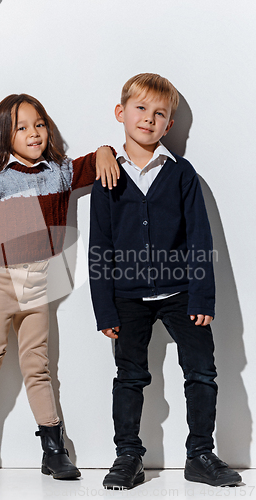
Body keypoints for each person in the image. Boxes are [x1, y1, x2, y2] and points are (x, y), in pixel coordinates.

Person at [89, 73, 242, 489]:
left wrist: (202, 297)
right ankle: (128, 456)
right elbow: (99, 245)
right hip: (127, 298)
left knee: (202, 373)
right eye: (140, 109)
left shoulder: (182, 174)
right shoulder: (107, 175)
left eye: (160, 114)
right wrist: (104, 306)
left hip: (181, 294)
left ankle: (201, 455)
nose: (149, 119)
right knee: (129, 377)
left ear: (169, 125)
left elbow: (200, 238)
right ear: (121, 113)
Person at [0, 93, 119, 482]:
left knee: (38, 367)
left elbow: (89, 166)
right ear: (5, 135)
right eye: (22, 127)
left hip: (38, 287)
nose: (34, 133)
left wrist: (105, 149)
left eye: (39, 124)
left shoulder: (58, 172)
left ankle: (53, 449)